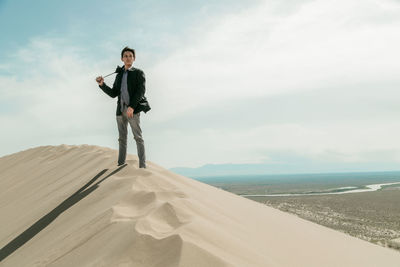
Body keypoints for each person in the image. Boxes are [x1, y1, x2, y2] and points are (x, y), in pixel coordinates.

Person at [95, 46, 151, 168]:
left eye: (130, 56)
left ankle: (142, 166)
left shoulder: (138, 73)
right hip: (120, 111)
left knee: (138, 137)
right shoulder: (119, 75)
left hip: (133, 110)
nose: (128, 58)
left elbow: (140, 91)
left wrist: (131, 107)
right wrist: (102, 85)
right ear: (122, 58)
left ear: (134, 59)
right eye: (125, 56)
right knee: (122, 139)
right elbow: (113, 93)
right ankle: (121, 164)